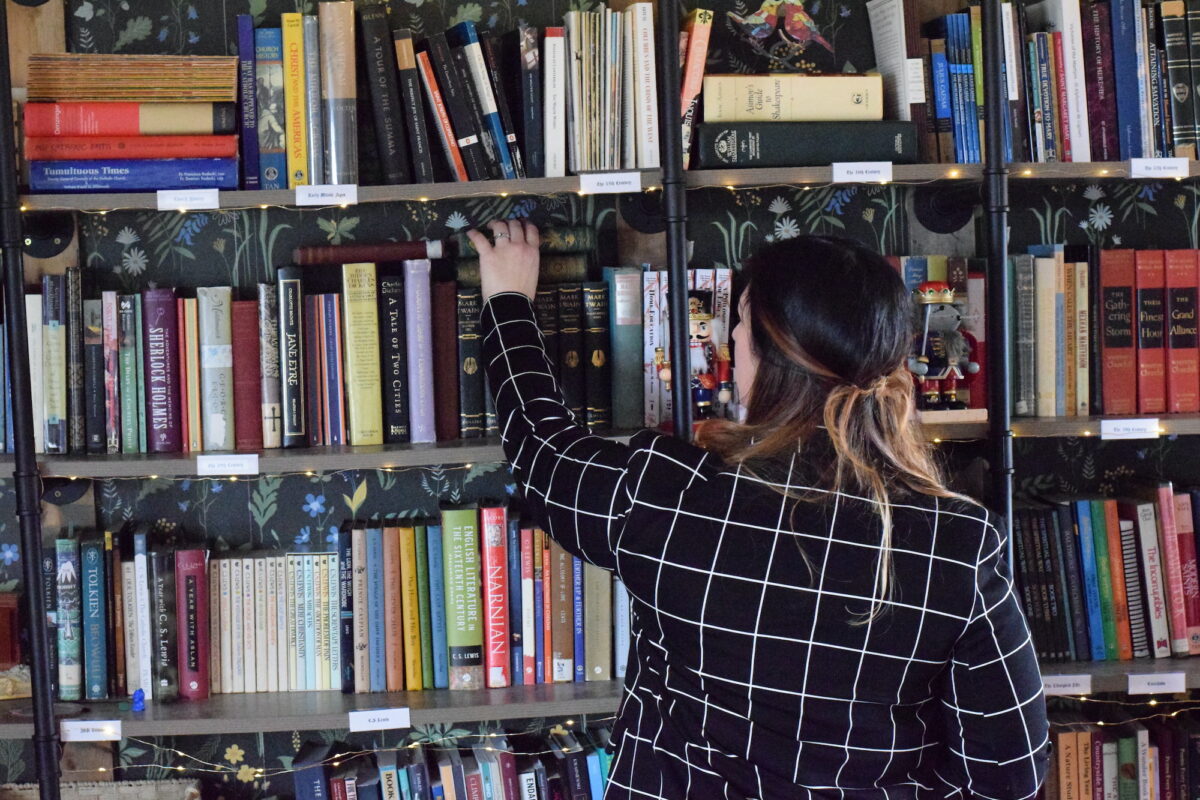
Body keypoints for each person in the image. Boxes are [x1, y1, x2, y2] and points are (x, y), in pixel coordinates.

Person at [471, 219, 1049, 800]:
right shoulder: (957, 545)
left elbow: (543, 452)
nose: (731, 344)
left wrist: (508, 300)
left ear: (768, 356)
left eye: (741, 324)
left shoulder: (669, 499)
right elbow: (1009, 775)